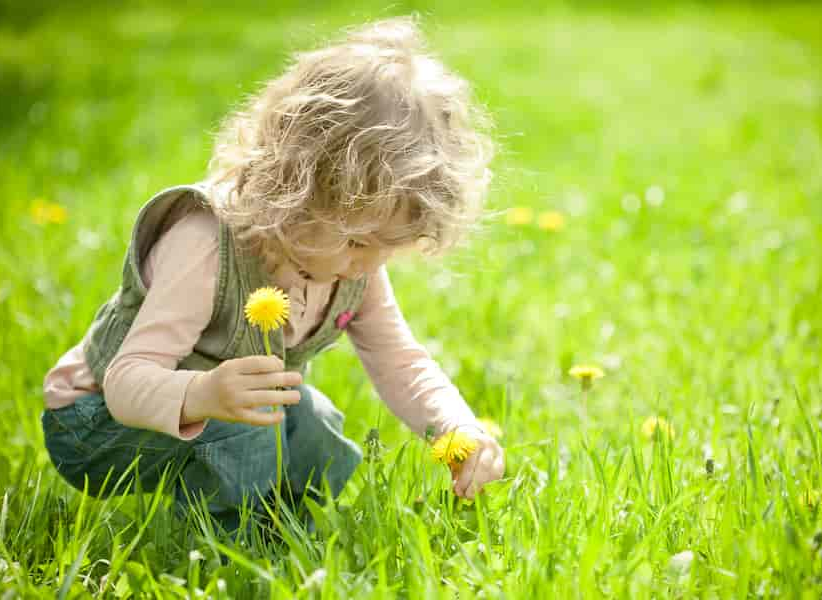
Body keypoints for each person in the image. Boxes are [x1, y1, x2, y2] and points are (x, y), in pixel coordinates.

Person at [41, 17, 505, 533]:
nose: (370, 264)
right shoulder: (205, 244)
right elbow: (126, 381)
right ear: (294, 190)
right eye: (356, 241)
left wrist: (459, 428)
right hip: (97, 421)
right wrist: (202, 395)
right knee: (249, 425)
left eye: (387, 249)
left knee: (314, 421)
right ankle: (227, 549)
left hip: (212, 410)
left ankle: (286, 526)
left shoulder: (357, 265)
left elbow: (401, 361)